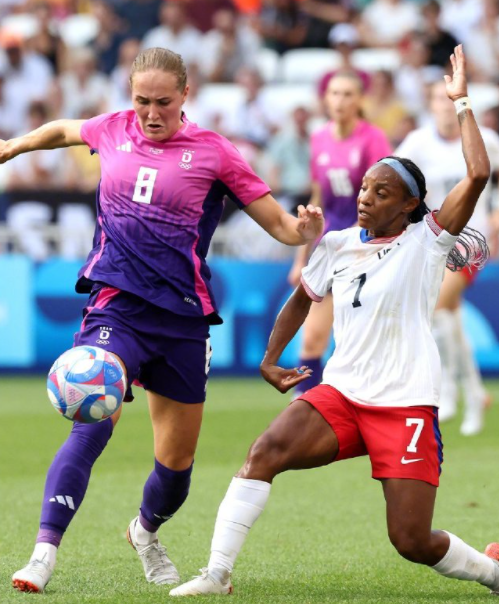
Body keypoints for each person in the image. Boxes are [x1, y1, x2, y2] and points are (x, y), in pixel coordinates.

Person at [0, 47, 323, 594]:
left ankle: (145, 531)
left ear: (185, 95)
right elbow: (64, 129)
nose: (151, 113)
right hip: (117, 305)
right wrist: (12, 147)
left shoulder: (215, 152)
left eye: (162, 102)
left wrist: (304, 231)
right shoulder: (112, 128)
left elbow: (278, 222)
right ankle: (43, 552)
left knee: (176, 469)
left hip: (182, 318)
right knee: (91, 420)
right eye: (140, 101)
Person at [170, 45, 499, 598]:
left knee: (411, 541)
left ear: (410, 206)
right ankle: (217, 573)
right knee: (262, 454)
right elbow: (303, 297)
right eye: (366, 188)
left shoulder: (429, 240)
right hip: (343, 395)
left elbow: (479, 171)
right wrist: (271, 358)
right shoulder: (339, 243)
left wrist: (460, 100)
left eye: (381, 193)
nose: (365, 198)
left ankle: (494, 573)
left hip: (405, 403)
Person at [396, 80, 499, 435]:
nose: (444, 105)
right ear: (429, 102)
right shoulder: (418, 143)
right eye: (437, 98)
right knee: (448, 317)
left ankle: (451, 392)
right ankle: (474, 394)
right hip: (433, 241)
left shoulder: (485, 138)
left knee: (439, 305)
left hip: (472, 240)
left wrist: (497, 217)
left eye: (450, 99)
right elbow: (399, 182)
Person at [288, 70, 391, 396]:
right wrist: (301, 256)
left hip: (367, 248)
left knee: (360, 341)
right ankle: (303, 411)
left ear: (360, 99)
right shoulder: (319, 139)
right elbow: (317, 199)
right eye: (334, 93)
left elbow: (384, 199)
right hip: (331, 247)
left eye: (348, 94)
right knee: (312, 337)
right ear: (325, 98)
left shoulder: (372, 139)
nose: (340, 101)